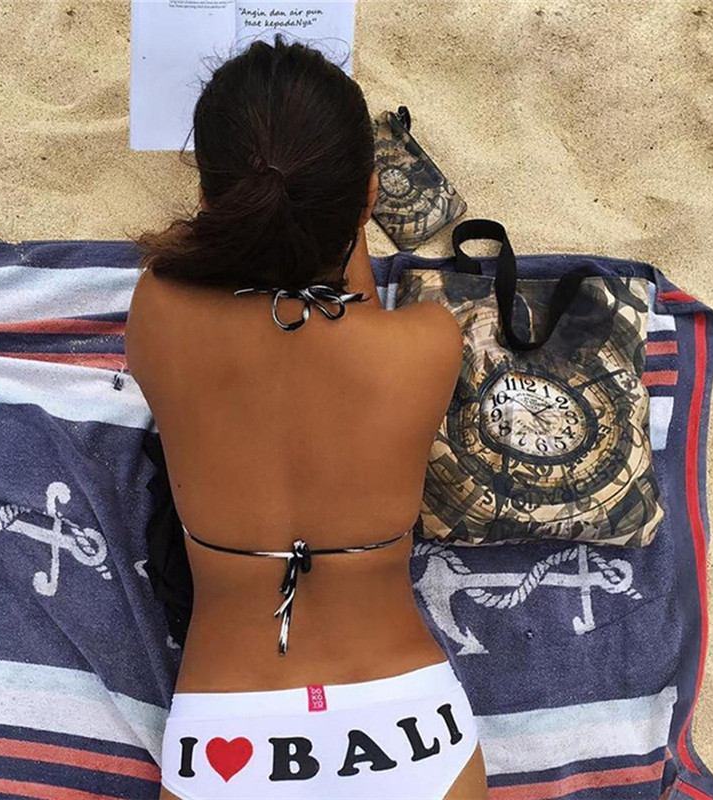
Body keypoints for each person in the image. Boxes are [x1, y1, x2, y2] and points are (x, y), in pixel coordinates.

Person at [125, 33, 487, 800]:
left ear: (211, 200)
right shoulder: (428, 343)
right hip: (410, 729)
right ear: (370, 197)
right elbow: (349, 307)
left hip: (229, 729)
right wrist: (345, 219)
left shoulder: (159, 309)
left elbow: (246, 297)